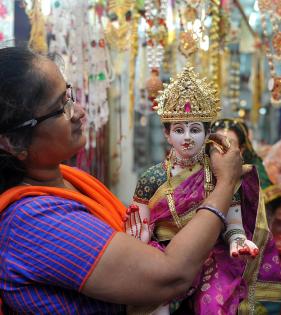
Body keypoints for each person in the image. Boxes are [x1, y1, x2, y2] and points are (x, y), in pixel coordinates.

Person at [0, 46, 245, 314]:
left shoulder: (70, 180)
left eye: (69, 95)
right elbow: (170, 275)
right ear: (14, 141)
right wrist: (225, 185)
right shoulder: (34, 221)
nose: (79, 111)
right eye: (61, 108)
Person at [125, 65, 281, 314]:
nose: (187, 137)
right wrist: (140, 241)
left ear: (208, 133)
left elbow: (233, 224)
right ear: (167, 134)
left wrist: (237, 240)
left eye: (195, 129)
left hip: (210, 256)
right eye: (179, 130)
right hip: (165, 255)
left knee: (213, 304)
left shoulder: (219, 174)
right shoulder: (151, 178)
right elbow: (141, 230)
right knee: (152, 306)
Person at [210, 118, 281, 219]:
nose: (222, 151)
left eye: (230, 145)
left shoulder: (252, 172)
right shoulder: (200, 171)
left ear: (242, 149)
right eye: (217, 145)